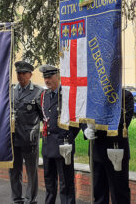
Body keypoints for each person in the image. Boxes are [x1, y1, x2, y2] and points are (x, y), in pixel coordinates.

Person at [84, 89, 134, 204]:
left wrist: (96, 126)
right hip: (96, 150)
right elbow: (84, 115)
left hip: (116, 152)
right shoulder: (93, 94)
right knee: (99, 193)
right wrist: (85, 128)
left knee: (119, 194)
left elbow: (122, 122)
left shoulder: (125, 95)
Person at [39, 64, 79, 204]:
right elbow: (42, 117)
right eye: (45, 78)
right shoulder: (44, 95)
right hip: (48, 144)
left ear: (57, 76)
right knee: (49, 182)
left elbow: (77, 119)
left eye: (49, 77)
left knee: (66, 183)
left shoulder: (67, 94)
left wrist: (69, 137)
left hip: (63, 146)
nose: (47, 80)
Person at [9, 61, 43, 204]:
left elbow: (44, 116)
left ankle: (30, 200)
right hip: (13, 138)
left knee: (31, 172)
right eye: (18, 73)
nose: (21, 76)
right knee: (14, 172)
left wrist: (37, 131)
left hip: (29, 139)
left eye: (24, 73)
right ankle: (17, 199)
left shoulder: (38, 91)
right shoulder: (11, 91)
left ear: (30, 74)